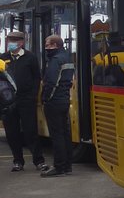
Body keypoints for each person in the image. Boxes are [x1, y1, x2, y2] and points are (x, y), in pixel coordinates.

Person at [1, 30, 48, 173]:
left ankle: (38, 161)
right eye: (9, 40)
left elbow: (36, 78)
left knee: (30, 131)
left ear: (21, 43)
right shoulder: (3, 58)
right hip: (8, 102)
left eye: (14, 40)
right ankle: (18, 161)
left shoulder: (30, 57)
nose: (10, 43)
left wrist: (32, 95)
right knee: (12, 132)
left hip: (26, 100)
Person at [40, 34, 74, 176]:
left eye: (47, 45)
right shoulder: (67, 58)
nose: (46, 48)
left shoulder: (55, 60)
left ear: (54, 45)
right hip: (64, 99)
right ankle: (67, 166)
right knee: (65, 134)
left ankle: (58, 166)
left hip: (54, 101)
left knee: (57, 135)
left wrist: (45, 98)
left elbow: (51, 83)